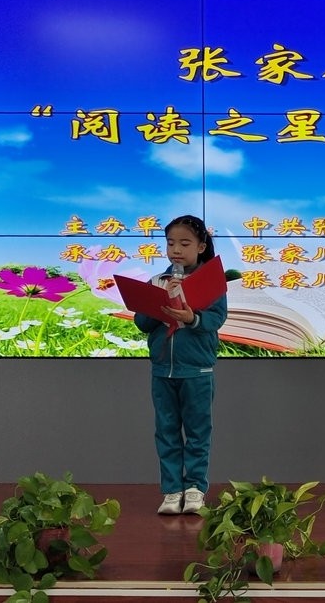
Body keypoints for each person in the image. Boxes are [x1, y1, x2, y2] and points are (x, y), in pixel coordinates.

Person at [134, 215, 228, 515]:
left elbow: (216, 319)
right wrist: (157, 305)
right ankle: (172, 491)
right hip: (163, 371)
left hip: (197, 372)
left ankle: (195, 489)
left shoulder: (210, 282)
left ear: (201, 247)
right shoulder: (157, 281)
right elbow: (142, 323)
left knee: (198, 434)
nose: (176, 250)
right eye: (171, 243)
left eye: (184, 243)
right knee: (166, 433)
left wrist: (191, 318)